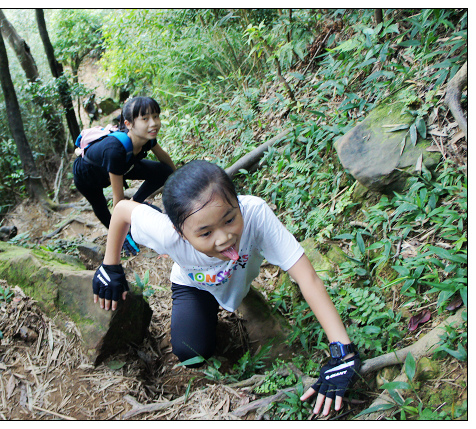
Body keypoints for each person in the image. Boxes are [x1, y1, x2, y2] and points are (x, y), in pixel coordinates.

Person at [91, 160, 362, 416]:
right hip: (194, 286)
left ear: (237, 203)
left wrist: (342, 349)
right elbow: (123, 209)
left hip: (237, 278)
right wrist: (110, 266)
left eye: (230, 219)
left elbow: (307, 277)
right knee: (190, 352)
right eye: (206, 233)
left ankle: (237, 296)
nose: (224, 238)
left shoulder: (255, 213)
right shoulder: (166, 233)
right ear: (179, 231)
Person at [73, 96, 176, 254]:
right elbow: (118, 201)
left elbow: (164, 159)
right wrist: (123, 227)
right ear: (128, 124)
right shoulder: (115, 151)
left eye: (156, 116)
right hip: (88, 176)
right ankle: (119, 235)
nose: (153, 123)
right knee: (100, 206)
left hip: (122, 166)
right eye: (145, 118)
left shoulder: (147, 138)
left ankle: (135, 204)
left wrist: (182, 182)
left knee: (164, 172)